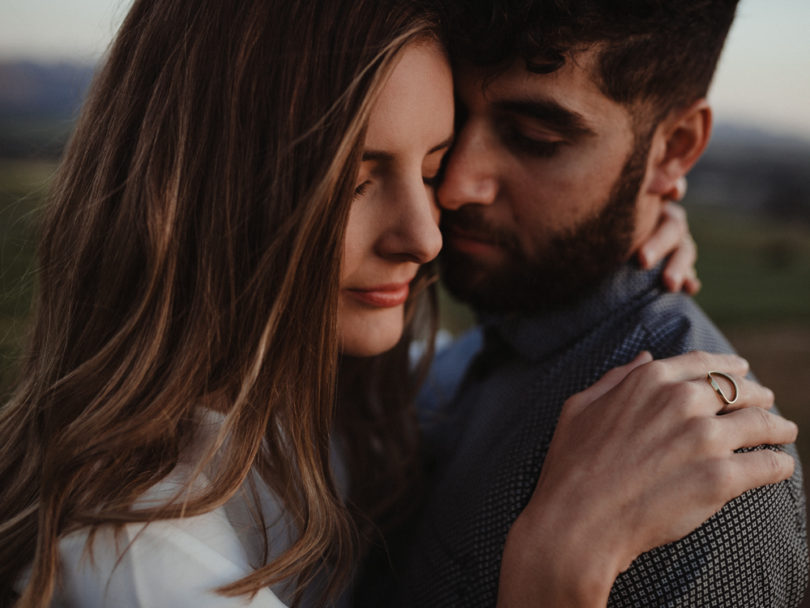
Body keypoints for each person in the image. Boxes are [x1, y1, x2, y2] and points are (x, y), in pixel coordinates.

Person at [0, 1, 798, 607]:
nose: (442, 210)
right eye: (354, 177)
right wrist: (553, 575)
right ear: (206, 193)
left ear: (676, 150)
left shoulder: (382, 386)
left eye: (537, 139)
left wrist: (641, 198)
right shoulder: (145, 559)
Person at [363, 0, 810, 606]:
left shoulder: (711, 490)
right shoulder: (483, 338)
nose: (457, 182)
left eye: (533, 139)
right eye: (455, 120)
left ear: (674, 148)